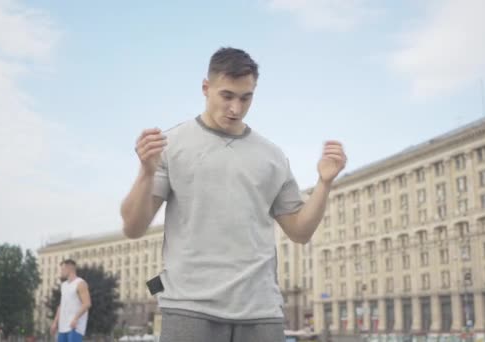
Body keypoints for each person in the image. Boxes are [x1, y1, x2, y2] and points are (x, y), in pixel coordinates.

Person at [120, 47, 347, 342]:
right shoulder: (172, 144)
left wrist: (324, 183)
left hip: (261, 311)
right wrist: (146, 173)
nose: (236, 108)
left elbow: (300, 232)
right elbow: (133, 227)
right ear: (206, 88)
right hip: (189, 308)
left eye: (245, 97)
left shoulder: (272, 156)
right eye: (227, 96)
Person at [50, 260, 91, 342]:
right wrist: (55, 322)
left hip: (75, 326)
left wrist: (75, 318)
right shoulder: (64, 285)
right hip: (63, 326)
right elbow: (61, 305)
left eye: (62, 269)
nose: (61, 272)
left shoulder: (80, 283)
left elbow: (87, 304)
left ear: (69, 268)